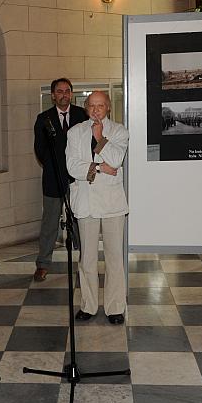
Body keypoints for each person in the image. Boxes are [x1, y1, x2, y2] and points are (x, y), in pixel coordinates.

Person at [65, 91, 129, 324]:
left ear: (108, 108)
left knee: (114, 258)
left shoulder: (120, 131)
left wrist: (101, 138)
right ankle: (88, 305)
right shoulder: (74, 132)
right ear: (86, 108)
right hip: (86, 202)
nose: (96, 110)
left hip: (112, 204)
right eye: (92, 105)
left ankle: (114, 307)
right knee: (88, 258)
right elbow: (72, 166)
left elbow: (116, 159)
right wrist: (100, 168)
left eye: (100, 105)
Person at [32, 78, 88, 282]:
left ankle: (86, 262)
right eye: (60, 91)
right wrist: (57, 166)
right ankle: (43, 263)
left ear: (71, 94)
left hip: (78, 179)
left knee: (82, 220)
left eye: (67, 91)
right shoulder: (43, 118)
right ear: (53, 95)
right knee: (49, 223)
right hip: (53, 178)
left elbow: (90, 144)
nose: (64, 94)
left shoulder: (82, 115)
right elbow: (40, 150)